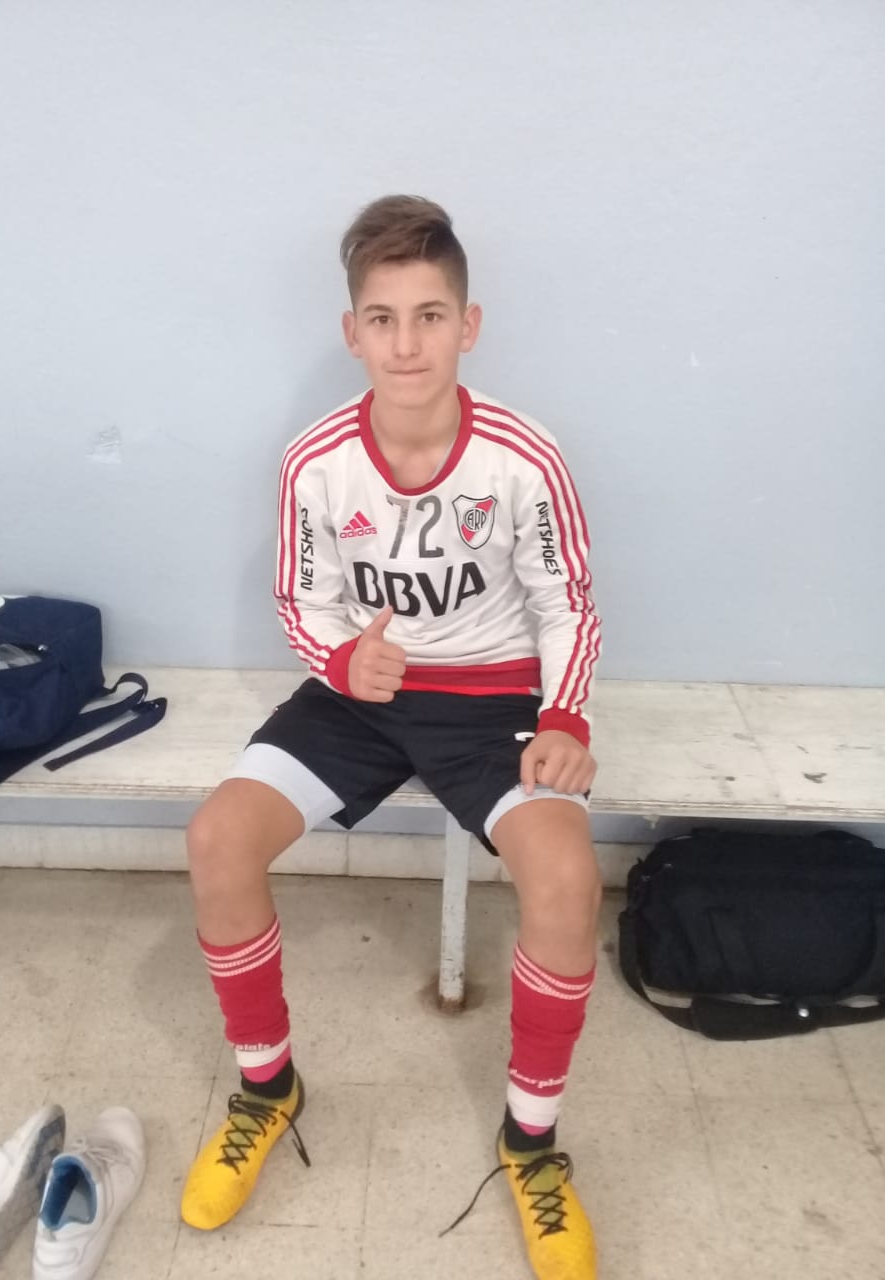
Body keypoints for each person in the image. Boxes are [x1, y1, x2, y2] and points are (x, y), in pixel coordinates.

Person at [181, 195, 603, 1280]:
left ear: (469, 325)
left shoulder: (523, 456)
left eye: (429, 316)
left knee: (566, 877)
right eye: (383, 318)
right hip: (359, 696)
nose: (406, 343)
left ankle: (530, 1143)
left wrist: (565, 716)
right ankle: (267, 1087)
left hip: (493, 702)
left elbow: (566, 601)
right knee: (218, 837)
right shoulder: (316, 460)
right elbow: (299, 598)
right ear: (351, 332)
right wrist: (340, 662)